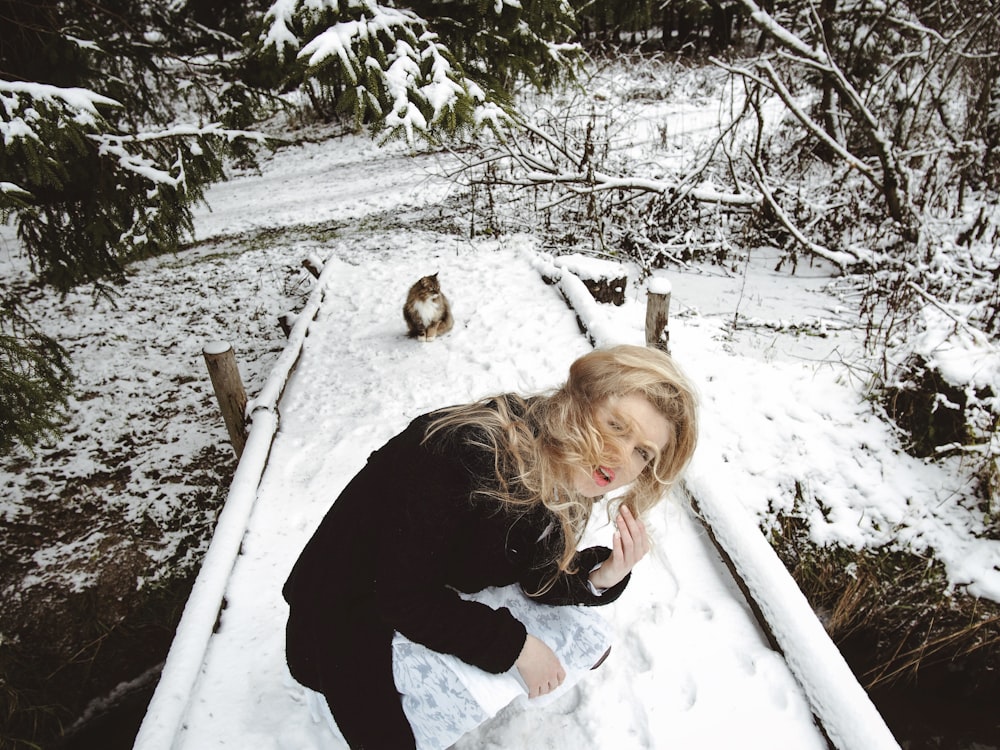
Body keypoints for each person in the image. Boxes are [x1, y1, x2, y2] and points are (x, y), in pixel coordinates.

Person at [282, 344, 698, 749]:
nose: (621, 456)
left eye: (643, 452)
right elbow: (402, 597)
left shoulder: (566, 461)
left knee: (575, 636)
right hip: (340, 623)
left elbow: (535, 572)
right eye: (617, 425)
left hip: (421, 590)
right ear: (581, 400)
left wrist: (604, 575)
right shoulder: (465, 451)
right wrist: (516, 647)